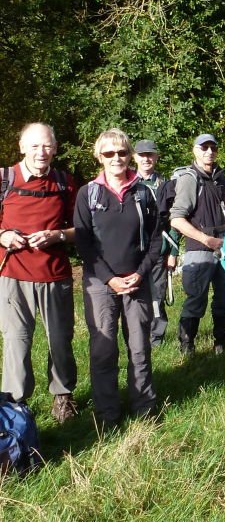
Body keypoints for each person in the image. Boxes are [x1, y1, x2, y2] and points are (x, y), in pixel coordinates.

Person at [75, 128, 162, 430]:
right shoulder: (88, 194)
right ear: (99, 156)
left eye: (122, 153)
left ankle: (144, 409)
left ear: (130, 155)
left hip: (137, 281)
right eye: (109, 153)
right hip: (101, 283)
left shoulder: (144, 192)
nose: (116, 158)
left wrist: (141, 272)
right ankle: (107, 416)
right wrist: (110, 279)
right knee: (103, 349)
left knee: (139, 347)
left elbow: (155, 240)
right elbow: (85, 245)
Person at [0, 123, 79, 422]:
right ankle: (15, 407)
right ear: (21, 147)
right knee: (16, 342)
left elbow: (81, 229)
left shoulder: (65, 182)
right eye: (34, 146)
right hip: (12, 276)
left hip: (55, 275)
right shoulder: (4, 178)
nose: (41, 152)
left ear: (55, 149)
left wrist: (57, 236)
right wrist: (2, 236)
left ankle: (63, 397)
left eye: (46, 146)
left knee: (60, 340)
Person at [169, 133, 225, 355]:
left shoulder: (221, 177)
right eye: (204, 147)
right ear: (195, 151)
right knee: (196, 297)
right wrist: (207, 240)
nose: (209, 152)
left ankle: (223, 342)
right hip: (200, 247)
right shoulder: (189, 178)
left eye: (213, 148)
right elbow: (177, 219)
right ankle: (186, 345)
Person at [132, 140, 177, 347]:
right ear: (135, 158)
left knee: (157, 292)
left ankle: (157, 336)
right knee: (133, 292)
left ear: (156, 157)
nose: (146, 159)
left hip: (159, 248)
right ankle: (134, 334)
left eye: (150, 154)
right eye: (142, 155)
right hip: (132, 249)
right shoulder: (128, 182)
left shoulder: (167, 185)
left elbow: (175, 220)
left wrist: (173, 251)